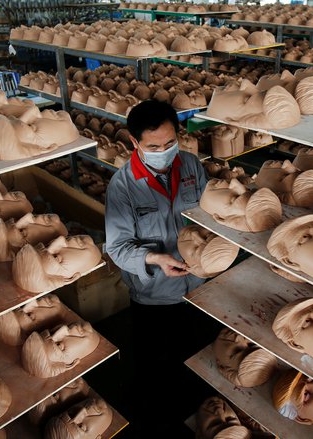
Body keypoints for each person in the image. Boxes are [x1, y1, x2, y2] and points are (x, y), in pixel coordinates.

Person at [105, 100, 212, 435]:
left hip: (199, 288)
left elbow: (211, 217)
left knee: (198, 360)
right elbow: (117, 248)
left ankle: (200, 416)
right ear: (135, 144)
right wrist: (155, 259)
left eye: (169, 144)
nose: (164, 152)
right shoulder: (122, 186)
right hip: (154, 297)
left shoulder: (192, 166)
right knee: (156, 370)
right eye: (153, 147)